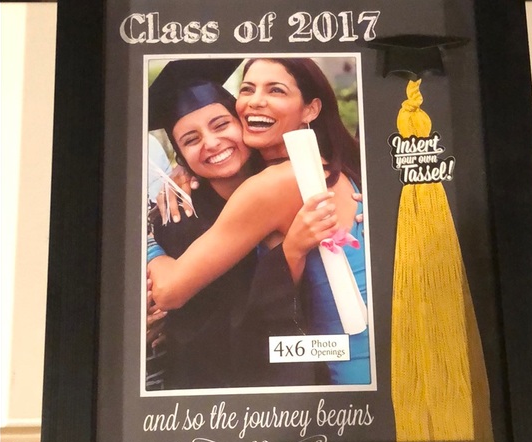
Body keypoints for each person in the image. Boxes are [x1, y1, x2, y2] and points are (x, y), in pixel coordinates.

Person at [149, 57, 371, 385]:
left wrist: (152, 251)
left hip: (348, 371)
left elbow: (169, 292)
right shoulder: (334, 165)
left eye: (275, 90)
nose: (256, 101)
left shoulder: (272, 185)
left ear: (310, 109)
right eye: (248, 89)